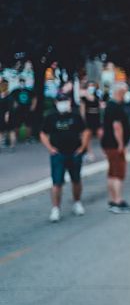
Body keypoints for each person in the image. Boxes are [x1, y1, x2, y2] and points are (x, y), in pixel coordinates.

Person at [39, 94, 90, 222]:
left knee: (76, 179)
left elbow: (85, 131)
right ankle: (55, 208)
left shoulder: (75, 115)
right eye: (60, 101)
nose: (63, 103)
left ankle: (77, 202)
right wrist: (50, 148)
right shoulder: (51, 117)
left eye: (65, 101)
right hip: (58, 153)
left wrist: (82, 147)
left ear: (69, 102)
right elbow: (43, 133)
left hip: (74, 152)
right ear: (56, 102)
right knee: (57, 182)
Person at [101, 83, 130, 214]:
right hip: (115, 145)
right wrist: (121, 144)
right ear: (119, 92)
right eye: (124, 92)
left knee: (111, 172)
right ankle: (117, 201)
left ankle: (112, 199)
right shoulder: (116, 107)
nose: (126, 94)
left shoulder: (110, 105)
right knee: (118, 173)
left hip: (108, 144)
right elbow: (117, 127)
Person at [80, 81, 102, 161]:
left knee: (100, 133)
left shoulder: (97, 96)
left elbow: (100, 106)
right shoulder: (84, 98)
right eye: (89, 86)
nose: (91, 87)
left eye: (93, 86)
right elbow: (82, 110)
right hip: (88, 117)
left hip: (96, 117)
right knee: (87, 136)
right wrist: (83, 120)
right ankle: (89, 153)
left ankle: (105, 151)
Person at [10, 77, 36, 143]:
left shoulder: (28, 90)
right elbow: (10, 98)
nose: (22, 83)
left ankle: (28, 138)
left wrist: (33, 106)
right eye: (20, 82)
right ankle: (16, 138)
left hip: (27, 110)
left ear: (25, 83)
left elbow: (34, 98)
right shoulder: (15, 91)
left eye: (23, 82)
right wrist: (13, 104)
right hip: (18, 110)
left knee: (28, 124)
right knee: (17, 125)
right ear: (19, 83)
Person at [0, 79, 12, 150]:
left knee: (2, 130)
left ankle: (3, 143)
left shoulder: (7, 96)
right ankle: (4, 142)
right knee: (5, 130)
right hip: (5, 114)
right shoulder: (8, 96)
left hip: (4, 114)